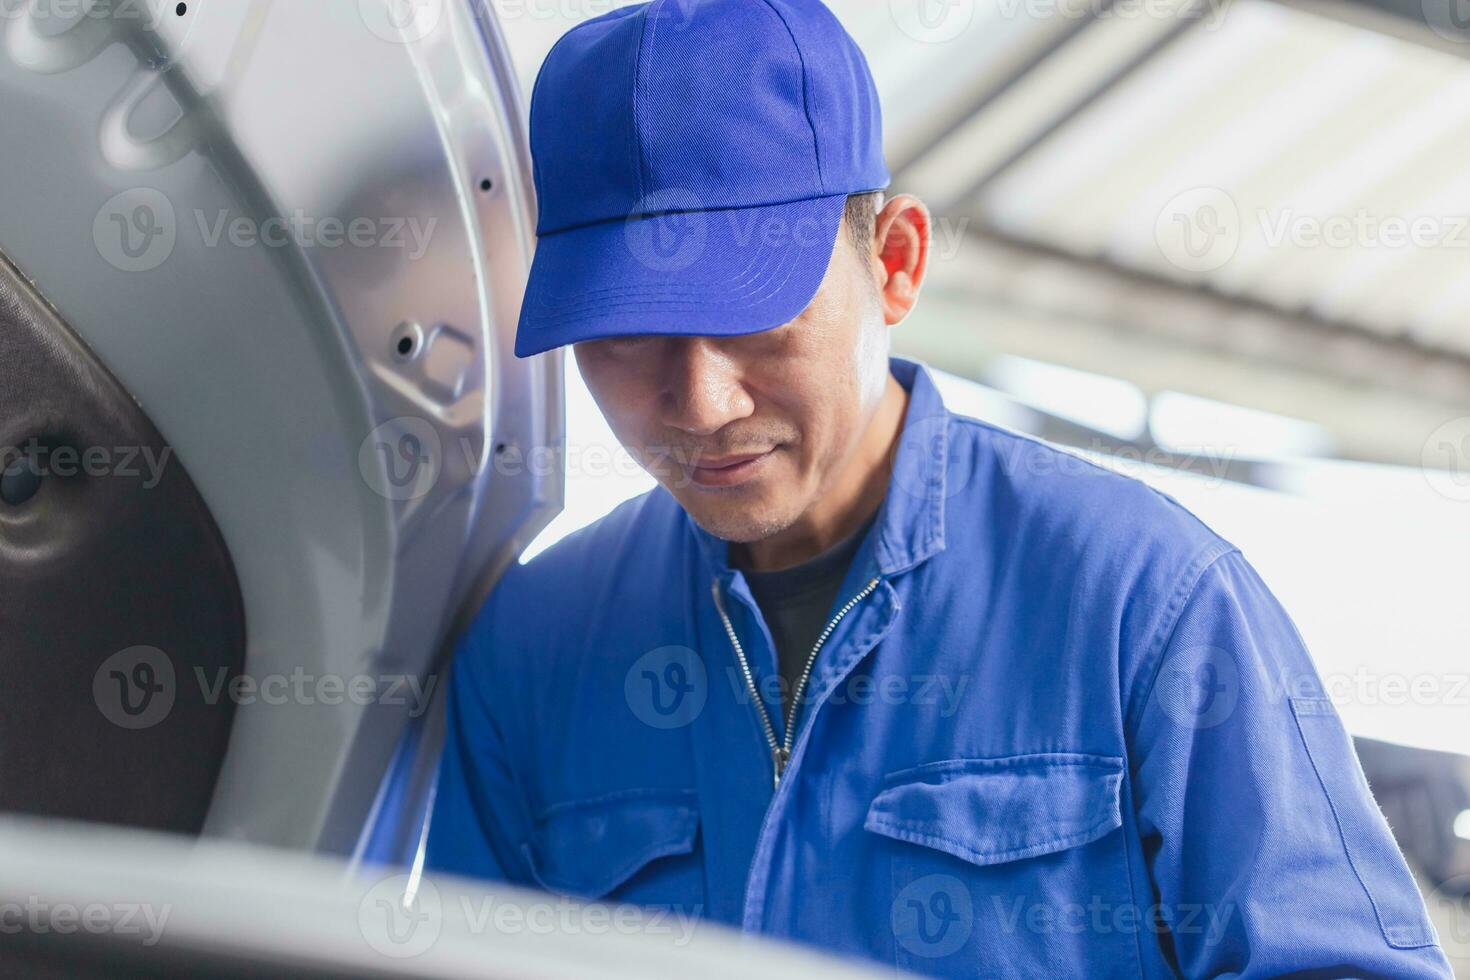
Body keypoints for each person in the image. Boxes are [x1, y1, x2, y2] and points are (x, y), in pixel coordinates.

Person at [426, 1, 1451, 975]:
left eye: (750, 315)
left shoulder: (1146, 604)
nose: (698, 401)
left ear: (897, 263)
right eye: (621, 334)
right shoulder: (529, 650)